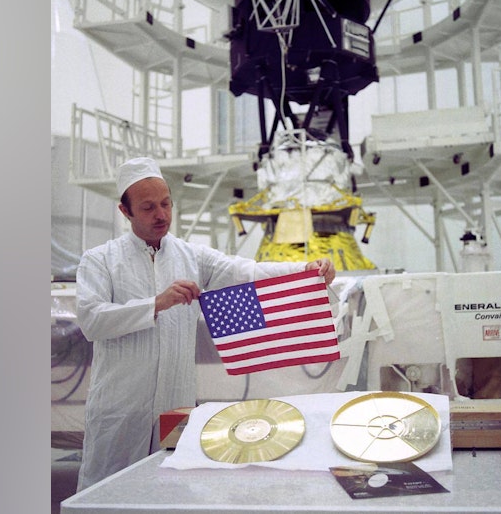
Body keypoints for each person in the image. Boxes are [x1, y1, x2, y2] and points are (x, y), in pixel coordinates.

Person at [75, 157, 335, 490]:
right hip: (120, 408)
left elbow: (245, 272)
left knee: (169, 487)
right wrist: (157, 304)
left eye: (166, 204)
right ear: (125, 212)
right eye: (148, 207)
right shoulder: (100, 260)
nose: (161, 215)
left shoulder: (190, 256)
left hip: (175, 404)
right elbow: (92, 320)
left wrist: (303, 271)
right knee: (106, 492)